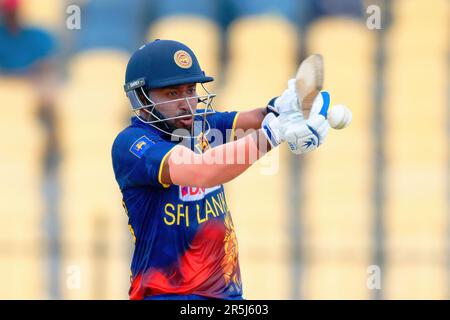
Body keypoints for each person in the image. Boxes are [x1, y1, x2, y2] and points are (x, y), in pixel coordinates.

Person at [111, 39, 331, 300]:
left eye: (191, 89)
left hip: (227, 295)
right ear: (141, 98)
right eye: (172, 93)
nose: (188, 103)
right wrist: (275, 133)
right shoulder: (131, 144)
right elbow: (203, 171)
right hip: (167, 295)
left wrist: (288, 106)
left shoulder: (199, 123)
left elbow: (255, 119)